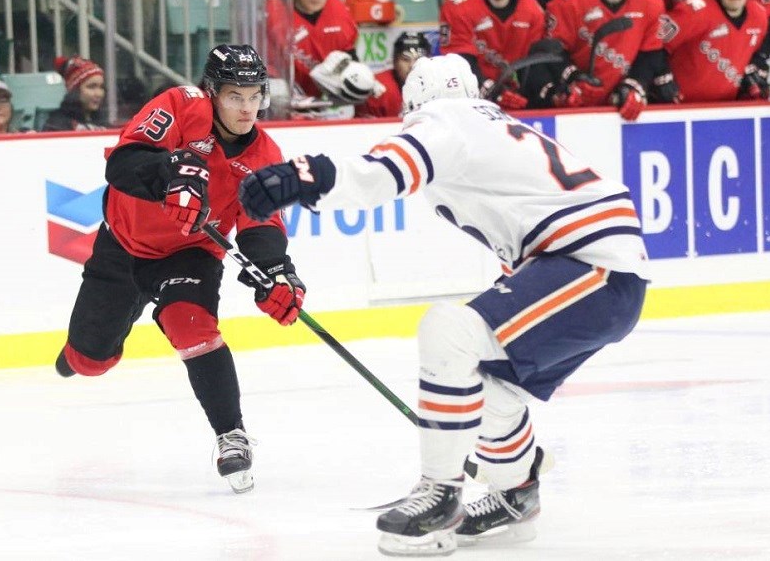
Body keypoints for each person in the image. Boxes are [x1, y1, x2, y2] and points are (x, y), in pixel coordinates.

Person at [237, 53, 648, 555]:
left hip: (592, 264)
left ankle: (440, 493)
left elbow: (386, 170)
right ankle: (516, 494)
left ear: (416, 106)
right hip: (596, 269)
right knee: (487, 387)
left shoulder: (448, 120)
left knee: (447, 331)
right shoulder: (492, 127)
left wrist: (304, 176)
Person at [55, 44, 305, 494]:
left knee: (191, 325)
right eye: (234, 96)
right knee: (88, 361)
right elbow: (124, 162)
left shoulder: (265, 155)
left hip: (189, 253)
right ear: (212, 92)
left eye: (254, 96)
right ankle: (93, 340)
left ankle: (231, 434)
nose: (247, 108)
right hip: (121, 245)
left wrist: (277, 271)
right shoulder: (180, 105)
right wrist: (172, 170)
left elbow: (262, 224)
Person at [528, 0, 670, 120]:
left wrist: (634, 85)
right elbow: (551, 49)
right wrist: (573, 77)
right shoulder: (571, 1)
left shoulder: (650, 2)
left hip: (617, 95)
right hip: (576, 97)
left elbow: (651, 52)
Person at [439, 0, 545, 109]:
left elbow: (536, 60)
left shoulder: (532, 8)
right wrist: (490, 90)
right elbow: (459, 61)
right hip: (474, 96)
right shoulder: (460, 6)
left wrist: (530, 92)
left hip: (519, 92)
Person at [661, 0, 770, 102]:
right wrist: (662, 79)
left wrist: (754, 70)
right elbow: (654, 44)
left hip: (725, 109)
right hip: (681, 108)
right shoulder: (695, 11)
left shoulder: (759, 16)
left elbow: (754, 52)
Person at [265, 0, 360, 99]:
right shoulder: (273, 11)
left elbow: (351, 60)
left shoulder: (341, 14)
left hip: (327, 100)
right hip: (282, 98)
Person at [356, 31, 431, 118]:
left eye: (419, 59)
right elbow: (364, 130)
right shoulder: (378, 90)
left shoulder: (440, 85)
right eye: (405, 59)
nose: (412, 65)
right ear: (394, 61)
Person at [42, 56, 108, 132]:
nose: (99, 94)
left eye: (101, 87)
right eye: (91, 87)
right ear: (75, 91)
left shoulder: (103, 123)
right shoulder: (57, 126)